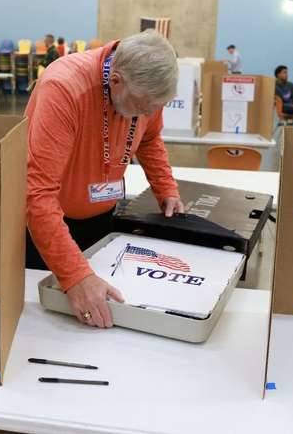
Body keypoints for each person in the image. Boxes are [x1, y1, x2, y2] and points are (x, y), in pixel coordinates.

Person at [25, 30, 184, 329]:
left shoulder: (145, 91)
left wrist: (166, 189)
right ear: (116, 80)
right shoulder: (64, 88)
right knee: (49, 329)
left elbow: (149, 139)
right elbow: (37, 194)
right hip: (47, 231)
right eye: (144, 105)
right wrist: (75, 276)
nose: (150, 112)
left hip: (101, 220)